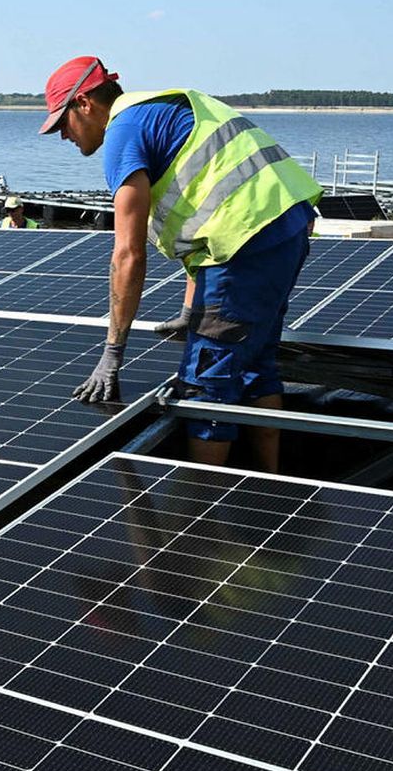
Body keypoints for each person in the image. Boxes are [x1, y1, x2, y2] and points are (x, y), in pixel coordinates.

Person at [39, 55, 322, 472]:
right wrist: (192, 310)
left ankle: (201, 510)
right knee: (256, 362)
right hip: (285, 226)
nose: (63, 135)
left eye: (63, 122)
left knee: (207, 382)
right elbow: (202, 213)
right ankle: (271, 480)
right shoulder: (163, 108)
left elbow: (128, 254)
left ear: (85, 104)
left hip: (243, 243)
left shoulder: (123, 133)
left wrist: (113, 353)